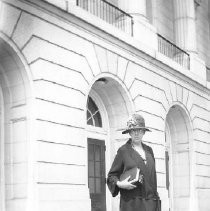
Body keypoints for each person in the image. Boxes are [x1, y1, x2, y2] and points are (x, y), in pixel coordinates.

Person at [107, 113, 160, 211]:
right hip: (132, 204)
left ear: (144, 132)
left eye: (139, 130)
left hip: (151, 204)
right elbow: (111, 176)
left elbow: (153, 178)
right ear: (129, 133)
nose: (136, 133)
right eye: (133, 130)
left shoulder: (149, 150)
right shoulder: (123, 151)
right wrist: (119, 184)